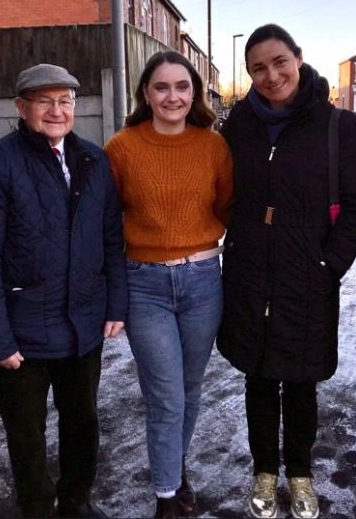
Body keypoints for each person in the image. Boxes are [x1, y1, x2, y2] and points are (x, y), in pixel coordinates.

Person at [217, 24, 356, 519]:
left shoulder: (336, 125)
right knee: (259, 378)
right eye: (258, 68)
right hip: (249, 273)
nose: (271, 75)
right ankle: (264, 470)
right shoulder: (237, 126)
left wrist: (331, 263)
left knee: (301, 381)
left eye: (279, 61)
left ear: (299, 59)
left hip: (308, 274)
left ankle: (301, 473)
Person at [0, 63, 127, 519]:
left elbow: (112, 239)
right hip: (22, 333)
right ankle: (37, 507)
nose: (56, 110)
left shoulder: (96, 161)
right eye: (44, 101)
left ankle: (75, 501)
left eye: (65, 101)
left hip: (83, 325)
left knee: (83, 424)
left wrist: (116, 303)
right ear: (22, 107)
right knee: (26, 435)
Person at [104, 50, 233, 519]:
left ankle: (175, 468)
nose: (172, 96)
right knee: (165, 395)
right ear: (145, 93)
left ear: (194, 93)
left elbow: (227, 207)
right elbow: (106, 219)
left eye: (182, 87)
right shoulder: (121, 147)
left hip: (203, 280)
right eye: (162, 87)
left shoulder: (213, 146)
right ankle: (165, 496)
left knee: (191, 388)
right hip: (145, 284)